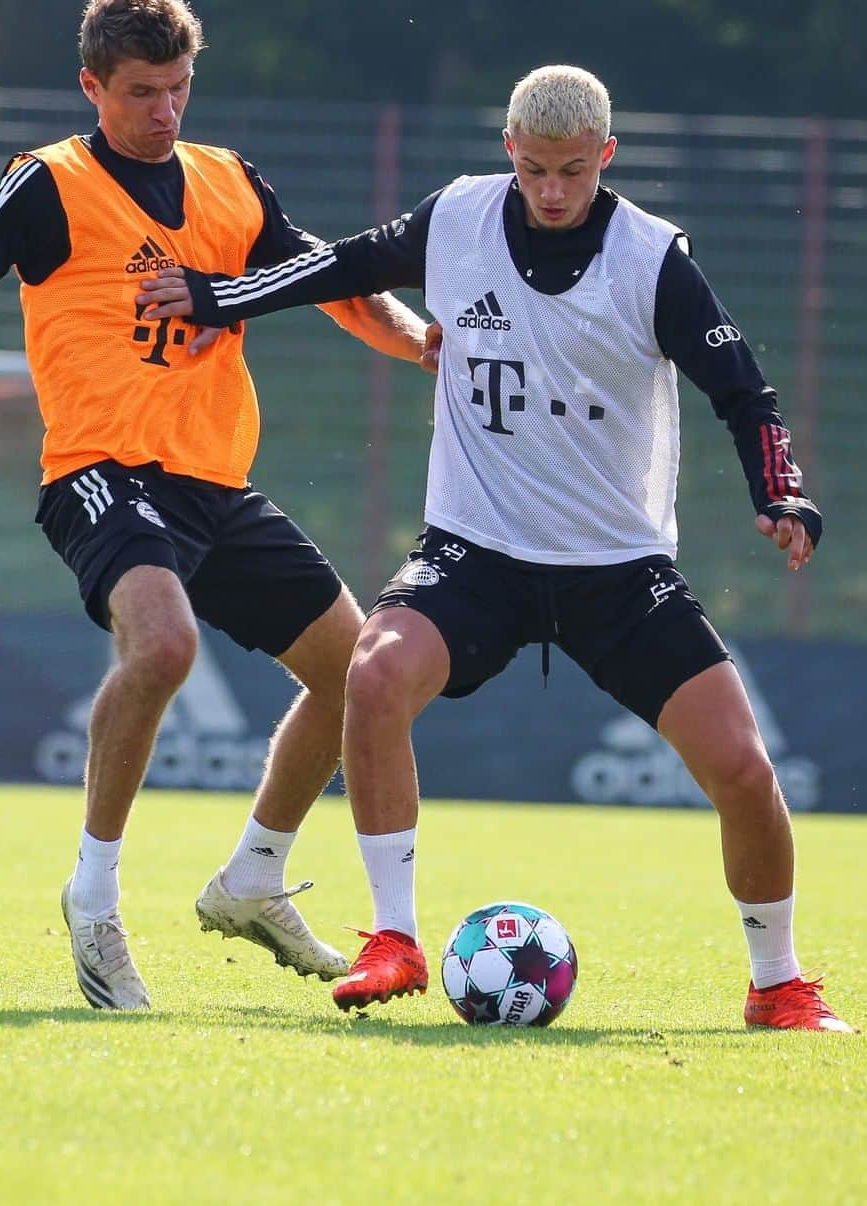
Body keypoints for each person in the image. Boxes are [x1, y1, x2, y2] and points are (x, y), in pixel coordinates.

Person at [136, 64, 854, 1032]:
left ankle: (778, 983)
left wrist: (783, 491)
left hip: (617, 570)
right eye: (536, 171)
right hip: (476, 553)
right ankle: (393, 939)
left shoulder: (653, 259)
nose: (553, 192)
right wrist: (221, 298)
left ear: (606, 156)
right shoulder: (458, 219)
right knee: (376, 672)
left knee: (744, 768)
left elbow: (743, 390)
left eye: (573, 172)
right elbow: (341, 266)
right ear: (508, 151)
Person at [0, 0, 432, 1012]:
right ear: (93, 85)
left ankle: (253, 878)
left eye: (178, 88)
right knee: (165, 646)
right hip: (100, 472)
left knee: (356, 676)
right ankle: (93, 899)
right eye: (140, 92)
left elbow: (335, 281)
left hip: (214, 478)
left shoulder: (230, 182)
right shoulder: (48, 184)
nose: (164, 110)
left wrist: (421, 343)